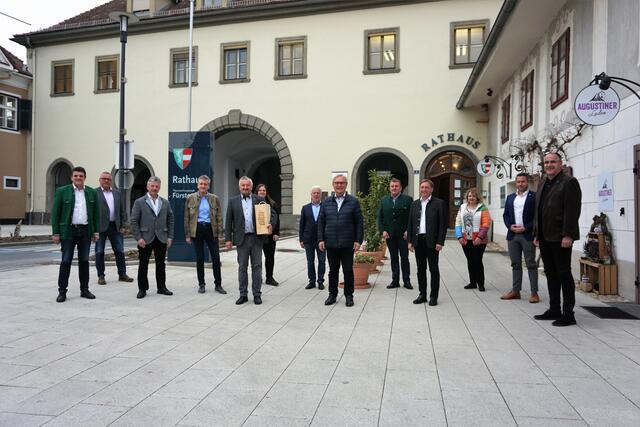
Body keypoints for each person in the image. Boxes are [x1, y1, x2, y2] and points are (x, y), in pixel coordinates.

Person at [533, 152, 582, 327]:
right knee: (550, 273)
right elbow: (538, 211)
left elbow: (572, 211)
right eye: (546, 162)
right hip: (545, 237)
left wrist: (568, 234)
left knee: (564, 274)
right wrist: (537, 235)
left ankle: (569, 314)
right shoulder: (543, 183)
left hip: (561, 237)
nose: (549, 165)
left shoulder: (569, 182)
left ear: (560, 164)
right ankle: (554, 309)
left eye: (553, 161)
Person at [51, 166, 100, 303]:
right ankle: (62, 292)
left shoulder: (91, 192)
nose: (78, 178)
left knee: (84, 261)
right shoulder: (62, 191)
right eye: (76, 176)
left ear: (85, 177)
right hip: (68, 231)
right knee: (66, 261)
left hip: (85, 231)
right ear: (71, 177)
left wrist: (95, 231)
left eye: (81, 176)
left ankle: (84, 289)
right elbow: (56, 213)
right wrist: (55, 232)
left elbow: (95, 213)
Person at [225, 176, 276, 305]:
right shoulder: (233, 201)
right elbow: (228, 221)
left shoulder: (259, 199)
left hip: (256, 238)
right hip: (241, 239)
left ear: (251, 187)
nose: (245, 188)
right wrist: (228, 239)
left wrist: (271, 224)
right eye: (243, 186)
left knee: (257, 267)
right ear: (240, 187)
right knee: (242, 267)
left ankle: (257, 294)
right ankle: (243, 294)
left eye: (247, 186)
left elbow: (272, 214)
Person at [318, 174, 364, 307]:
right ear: (333, 185)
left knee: (348, 270)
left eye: (342, 183)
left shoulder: (353, 201)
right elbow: (321, 222)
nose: (339, 185)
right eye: (336, 183)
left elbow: (359, 222)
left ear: (346, 185)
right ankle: (332, 294)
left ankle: (349, 295)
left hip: (347, 243)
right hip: (331, 243)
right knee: (333, 271)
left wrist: (358, 240)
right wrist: (321, 239)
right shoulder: (326, 201)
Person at [130, 176, 174, 299]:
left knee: (161, 264)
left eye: (156, 186)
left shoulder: (165, 202)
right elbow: (134, 221)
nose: (154, 188)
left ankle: (161, 287)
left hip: (161, 237)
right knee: (143, 264)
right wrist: (138, 238)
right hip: (145, 238)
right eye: (152, 186)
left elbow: (170, 220)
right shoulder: (139, 202)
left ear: (159, 187)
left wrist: (170, 237)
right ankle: (142, 289)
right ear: (147, 187)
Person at [406, 179, 447, 305]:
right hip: (418, 241)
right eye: (422, 187)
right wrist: (410, 241)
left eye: (426, 187)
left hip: (433, 242)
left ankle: (433, 296)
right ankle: (422, 294)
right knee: (420, 269)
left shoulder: (439, 203)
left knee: (433, 269)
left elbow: (443, 225)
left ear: (431, 189)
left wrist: (440, 242)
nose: (424, 189)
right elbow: (411, 223)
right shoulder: (415, 204)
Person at [184, 175, 226, 295]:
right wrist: (187, 235)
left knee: (216, 258)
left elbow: (219, 217)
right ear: (198, 185)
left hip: (210, 229)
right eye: (201, 184)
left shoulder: (214, 198)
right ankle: (201, 284)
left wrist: (220, 233)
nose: (203, 186)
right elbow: (186, 217)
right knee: (200, 258)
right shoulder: (190, 198)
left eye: (205, 184)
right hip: (196, 229)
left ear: (208, 185)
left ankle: (218, 284)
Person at [501, 172, 539, 303]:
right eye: (518, 182)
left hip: (527, 235)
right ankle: (515, 291)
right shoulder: (510, 198)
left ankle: (534, 293)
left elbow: (537, 217)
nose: (520, 184)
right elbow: (505, 215)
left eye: (523, 181)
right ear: (516, 183)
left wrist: (526, 228)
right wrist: (510, 226)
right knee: (515, 264)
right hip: (512, 235)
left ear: (527, 182)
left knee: (531, 264)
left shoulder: (533, 197)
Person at [95, 171, 133, 285]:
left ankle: (122, 274)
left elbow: (122, 210)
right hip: (100, 227)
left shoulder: (117, 193)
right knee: (99, 252)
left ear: (111, 181)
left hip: (115, 227)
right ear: (100, 180)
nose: (106, 181)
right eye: (104, 179)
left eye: (108, 179)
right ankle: (101, 276)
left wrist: (124, 225)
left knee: (120, 251)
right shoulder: (94, 193)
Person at [377, 177, 413, 290]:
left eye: (396, 186)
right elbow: (380, 218)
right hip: (390, 235)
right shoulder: (383, 200)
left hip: (403, 235)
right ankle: (395, 280)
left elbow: (411, 218)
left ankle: (407, 281)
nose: (394, 188)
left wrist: (408, 230)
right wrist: (383, 230)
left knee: (404, 258)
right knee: (393, 258)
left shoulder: (408, 200)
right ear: (389, 188)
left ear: (401, 188)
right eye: (392, 186)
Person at [455, 188, 491, 292]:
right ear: (467, 197)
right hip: (466, 239)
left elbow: (486, 224)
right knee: (470, 261)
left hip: (479, 240)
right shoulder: (462, 207)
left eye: (473, 196)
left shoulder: (482, 208)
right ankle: (472, 282)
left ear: (477, 198)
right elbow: (458, 222)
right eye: (469, 196)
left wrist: (480, 237)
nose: (471, 198)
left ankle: (480, 283)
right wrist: (459, 236)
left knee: (477, 260)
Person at [299, 186, 326, 290]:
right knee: (310, 261)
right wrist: (301, 239)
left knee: (322, 261)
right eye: (314, 193)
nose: (316, 195)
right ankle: (312, 281)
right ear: (311, 195)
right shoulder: (305, 208)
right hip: (308, 239)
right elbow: (302, 224)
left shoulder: (325, 207)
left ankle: (320, 281)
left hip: (321, 240)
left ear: (321, 195)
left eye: (318, 193)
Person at [256, 184, 280, 286]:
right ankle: (258, 277)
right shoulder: (252, 203)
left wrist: (276, 233)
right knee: (257, 258)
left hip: (269, 235)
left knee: (270, 257)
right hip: (257, 236)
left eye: (264, 190)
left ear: (266, 192)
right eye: (260, 190)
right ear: (256, 192)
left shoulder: (272, 203)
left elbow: (277, 220)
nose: (262, 192)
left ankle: (269, 277)